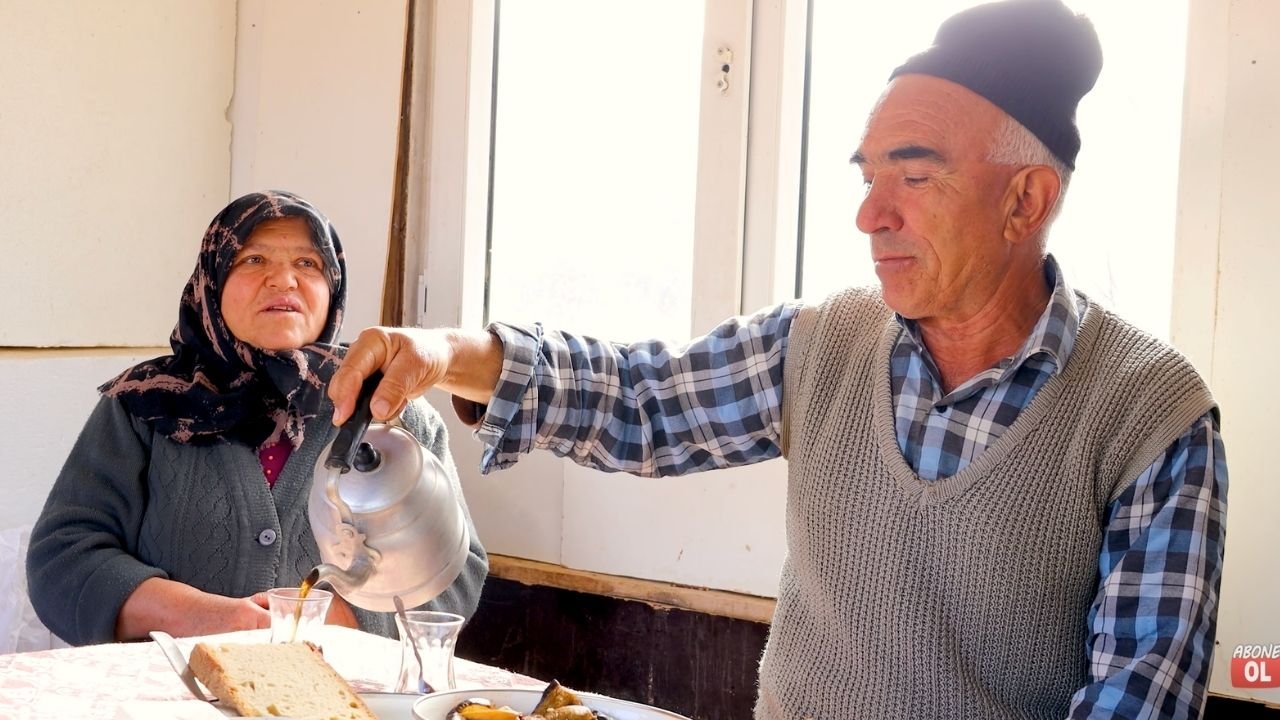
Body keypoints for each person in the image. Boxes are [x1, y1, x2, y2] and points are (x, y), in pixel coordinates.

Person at [328, 1, 1227, 718]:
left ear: (1027, 199)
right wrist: (445, 353)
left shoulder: (1149, 414)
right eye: (866, 175)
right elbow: (643, 400)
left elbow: (1136, 696)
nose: (871, 215)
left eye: (913, 176)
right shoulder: (828, 341)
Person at [26, 190, 488, 646]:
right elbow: (62, 559)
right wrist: (207, 619)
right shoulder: (145, 403)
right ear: (212, 280)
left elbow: (455, 568)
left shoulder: (390, 406)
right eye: (252, 260)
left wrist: (328, 623)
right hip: (167, 694)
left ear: (334, 287)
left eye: (308, 264)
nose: (283, 280)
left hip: (339, 696)